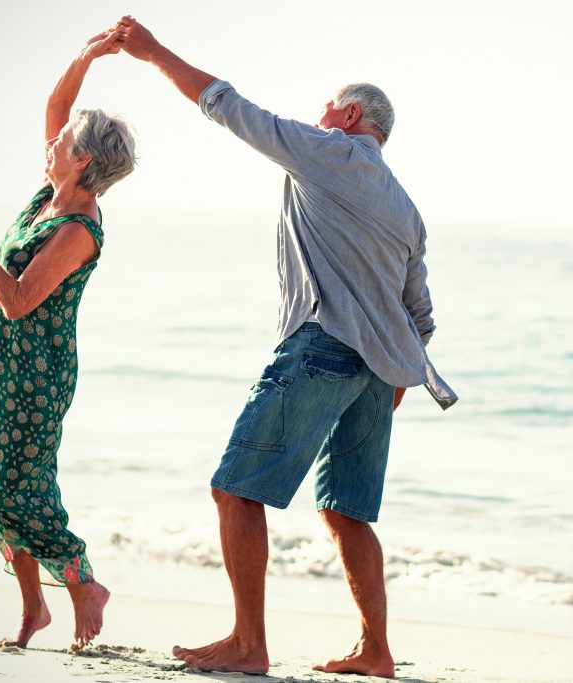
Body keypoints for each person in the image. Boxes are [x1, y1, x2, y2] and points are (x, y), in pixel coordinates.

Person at [113, 16, 457, 677]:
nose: (317, 115)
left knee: (234, 490)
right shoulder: (407, 207)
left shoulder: (327, 150)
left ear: (350, 114)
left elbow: (227, 106)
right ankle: (376, 650)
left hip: (322, 347)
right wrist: (391, 385)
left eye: (326, 107)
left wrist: (152, 51)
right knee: (346, 510)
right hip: (378, 374)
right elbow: (421, 314)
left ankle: (249, 642)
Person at [0, 31, 136, 652]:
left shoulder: (79, 226)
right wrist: (86, 58)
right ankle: (34, 611)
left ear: (81, 160)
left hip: (38, 369)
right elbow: (56, 113)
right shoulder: (49, 195)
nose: (50, 141)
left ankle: (82, 581)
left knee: (15, 487)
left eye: (62, 142)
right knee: (0, 483)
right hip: (3, 360)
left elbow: (19, 300)